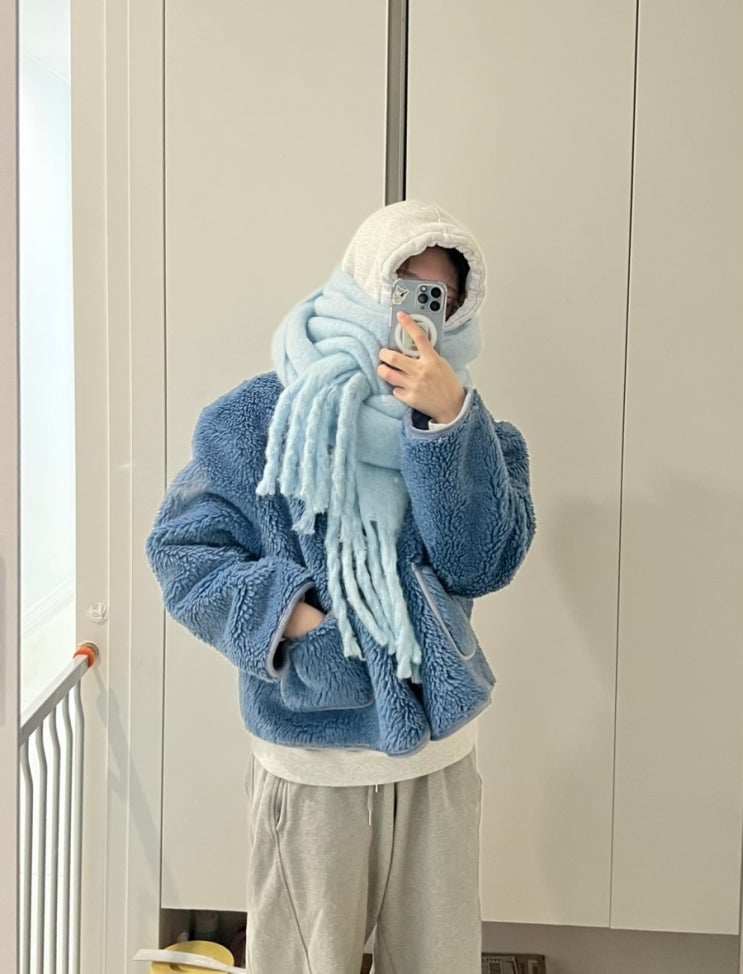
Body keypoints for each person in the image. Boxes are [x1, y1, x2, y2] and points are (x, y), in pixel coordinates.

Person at [146, 199, 536, 974]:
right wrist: (296, 619)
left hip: (436, 752)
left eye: (439, 297)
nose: (417, 312)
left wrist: (445, 427)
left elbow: (481, 565)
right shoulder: (261, 416)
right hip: (311, 755)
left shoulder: (476, 431)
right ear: (362, 280)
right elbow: (183, 551)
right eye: (402, 286)